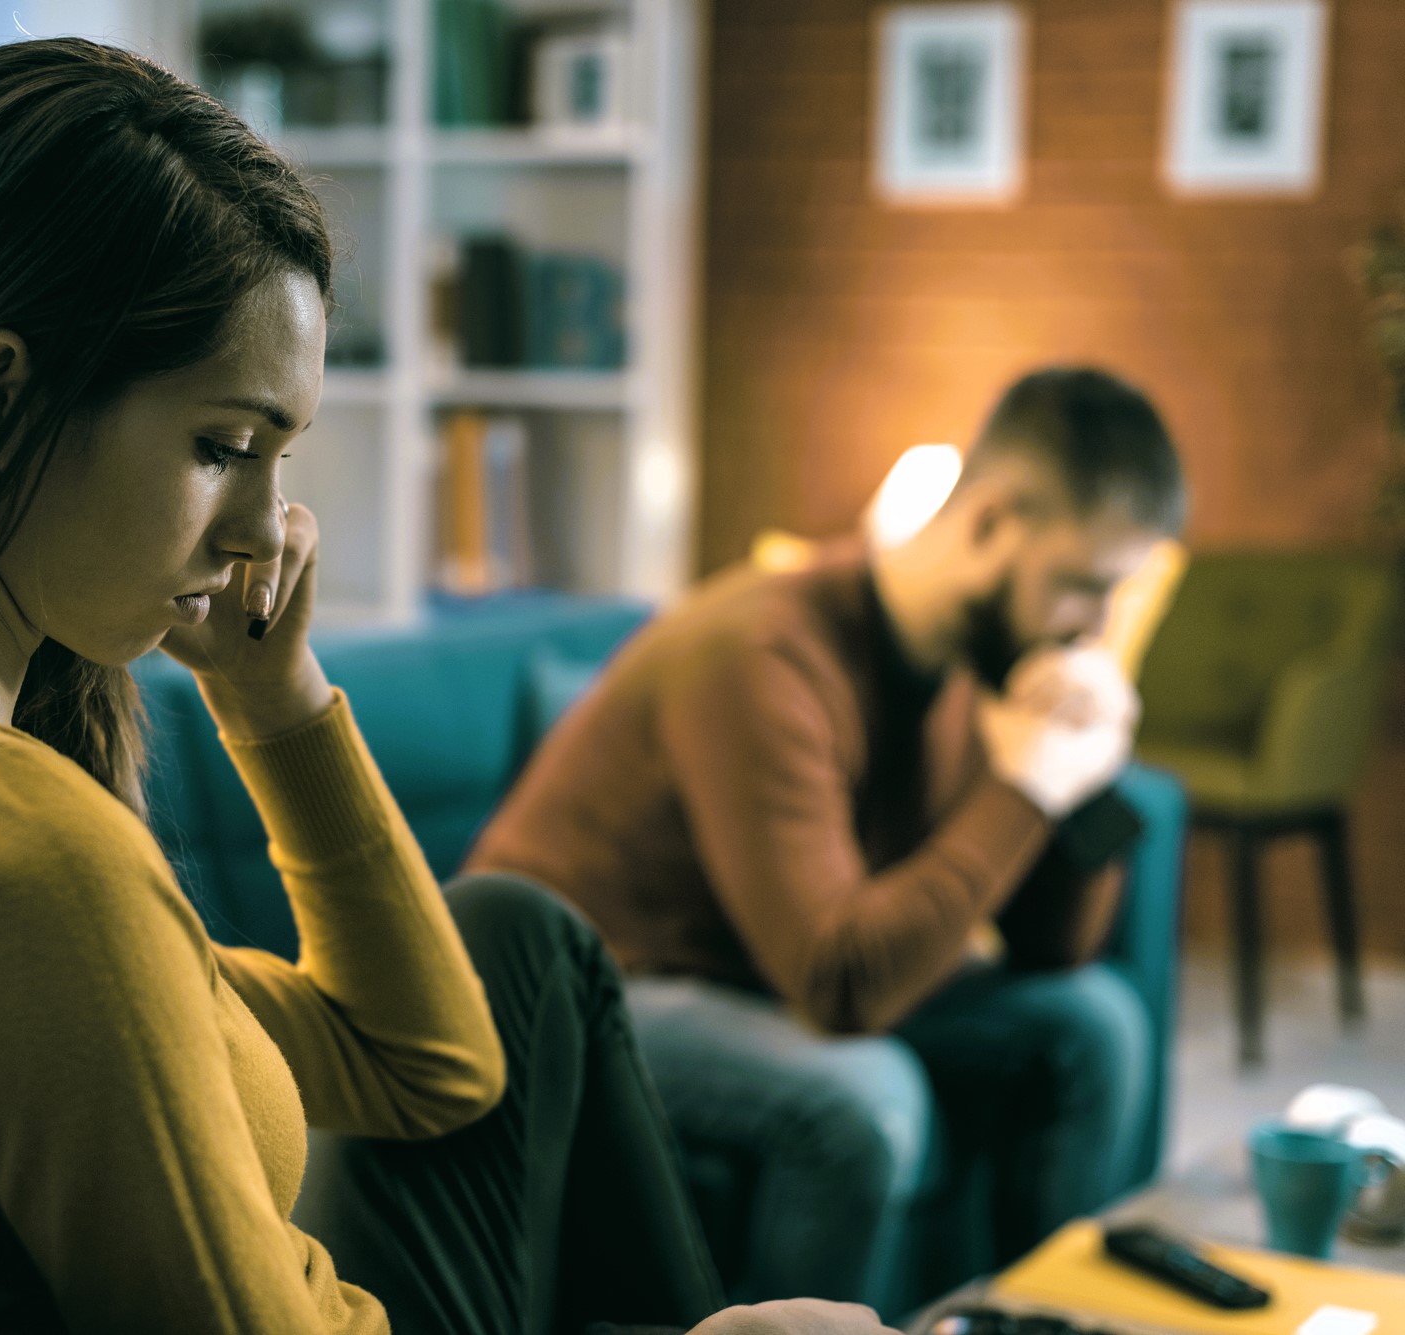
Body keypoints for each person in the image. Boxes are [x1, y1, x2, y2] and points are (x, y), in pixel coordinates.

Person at [0, 37, 895, 1335]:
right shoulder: (12, 860)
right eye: (220, 445)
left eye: (279, 455)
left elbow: (431, 1063)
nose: (269, 528)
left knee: (521, 937)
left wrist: (277, 702)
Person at [467, 368, 1188, 1313]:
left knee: (1091, 1023)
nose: (1095, 626)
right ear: (990, 524)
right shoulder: (763, 652)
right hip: (574, 992)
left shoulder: (974, 659)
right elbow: (840, 982)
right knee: (861, 1098)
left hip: (749, 970)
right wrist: (1024, 786)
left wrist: (1078, 779)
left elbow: (1054, 949)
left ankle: (1044, 1326)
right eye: (1081, 586)